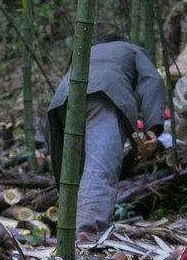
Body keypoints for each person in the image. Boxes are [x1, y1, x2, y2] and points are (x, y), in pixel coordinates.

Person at [45, 34, 166, 234]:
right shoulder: (132, 49)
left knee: (74, 172)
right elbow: (152, 80)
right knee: (99, 169)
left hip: (62, 100)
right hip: (104, 96)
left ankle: (67, 232)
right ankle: (85, 237)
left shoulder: (86, 50)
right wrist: (152, 128)